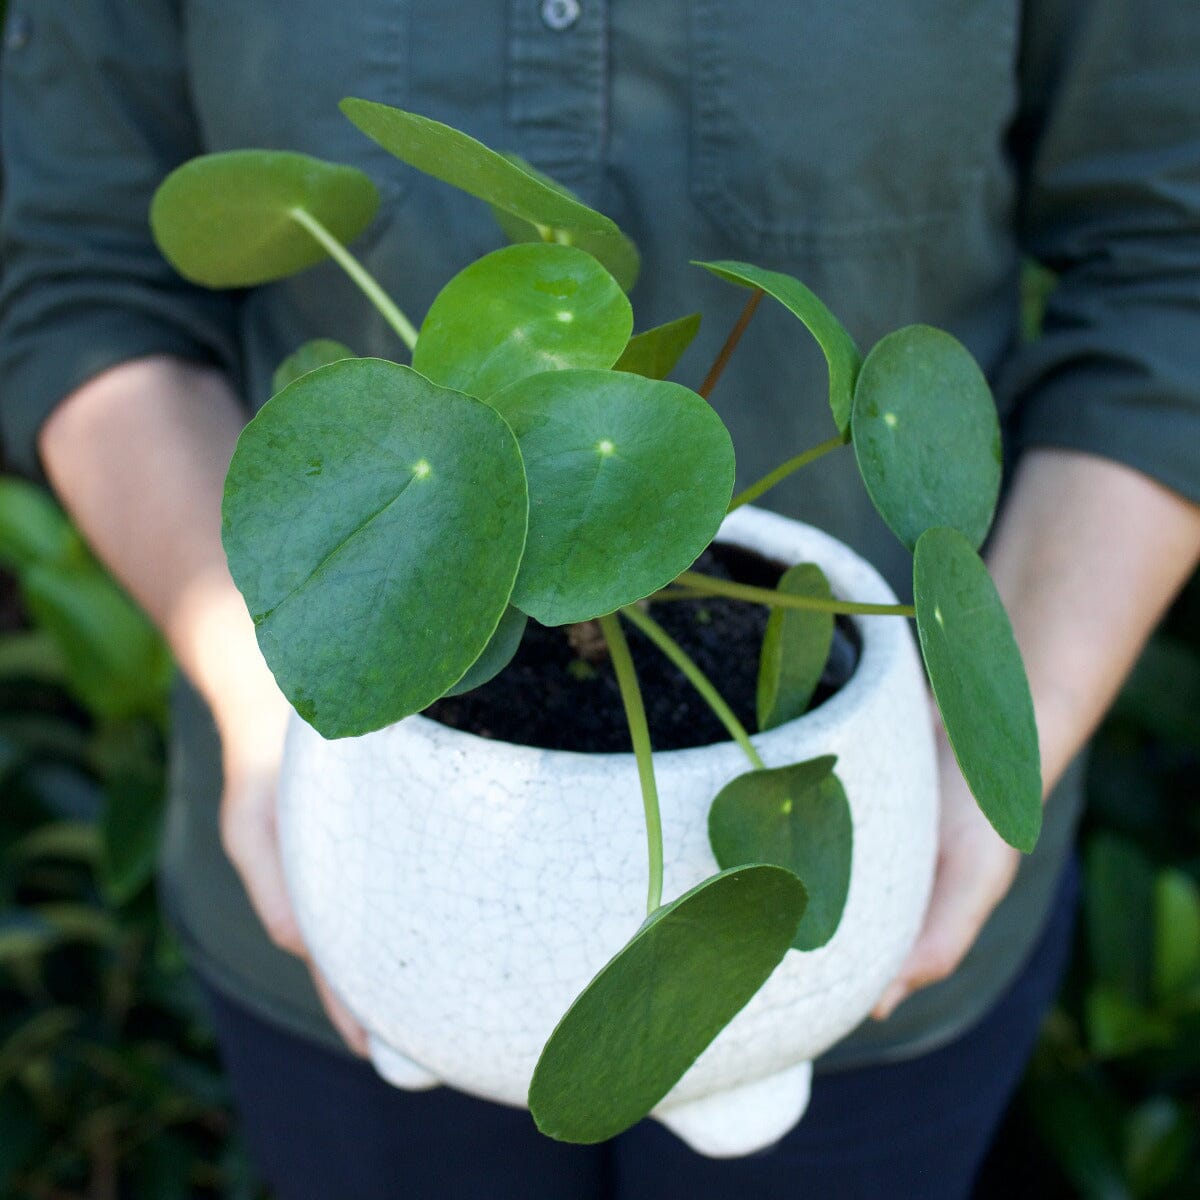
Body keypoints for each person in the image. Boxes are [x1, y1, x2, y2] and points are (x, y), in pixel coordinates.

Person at [2, 3, 1198, 1196]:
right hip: (359, 887)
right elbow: (79, 282)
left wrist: (1013, 710)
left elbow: (1169, 270)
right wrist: (253, 679)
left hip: (884, 881)